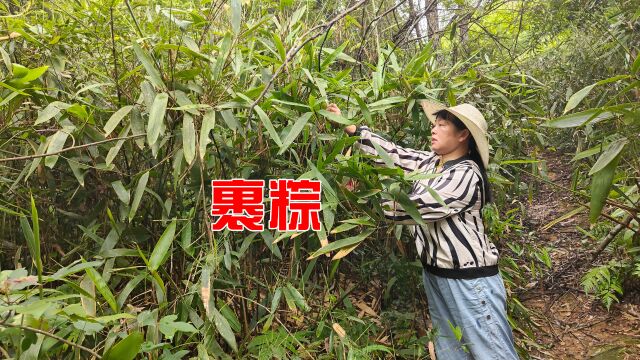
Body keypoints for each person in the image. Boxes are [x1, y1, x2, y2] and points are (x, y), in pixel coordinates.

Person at [326, 100, 519, 360]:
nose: (434, 130)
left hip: (470, 280)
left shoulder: (466, 174)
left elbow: (415, 208)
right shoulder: (431, 163)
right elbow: (393, 154)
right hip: (437, 276)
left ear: (463, 135)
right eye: (435, 124)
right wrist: (350, 128)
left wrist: (365, 194)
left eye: (442, 125)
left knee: (492, 353)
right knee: (450, 351)